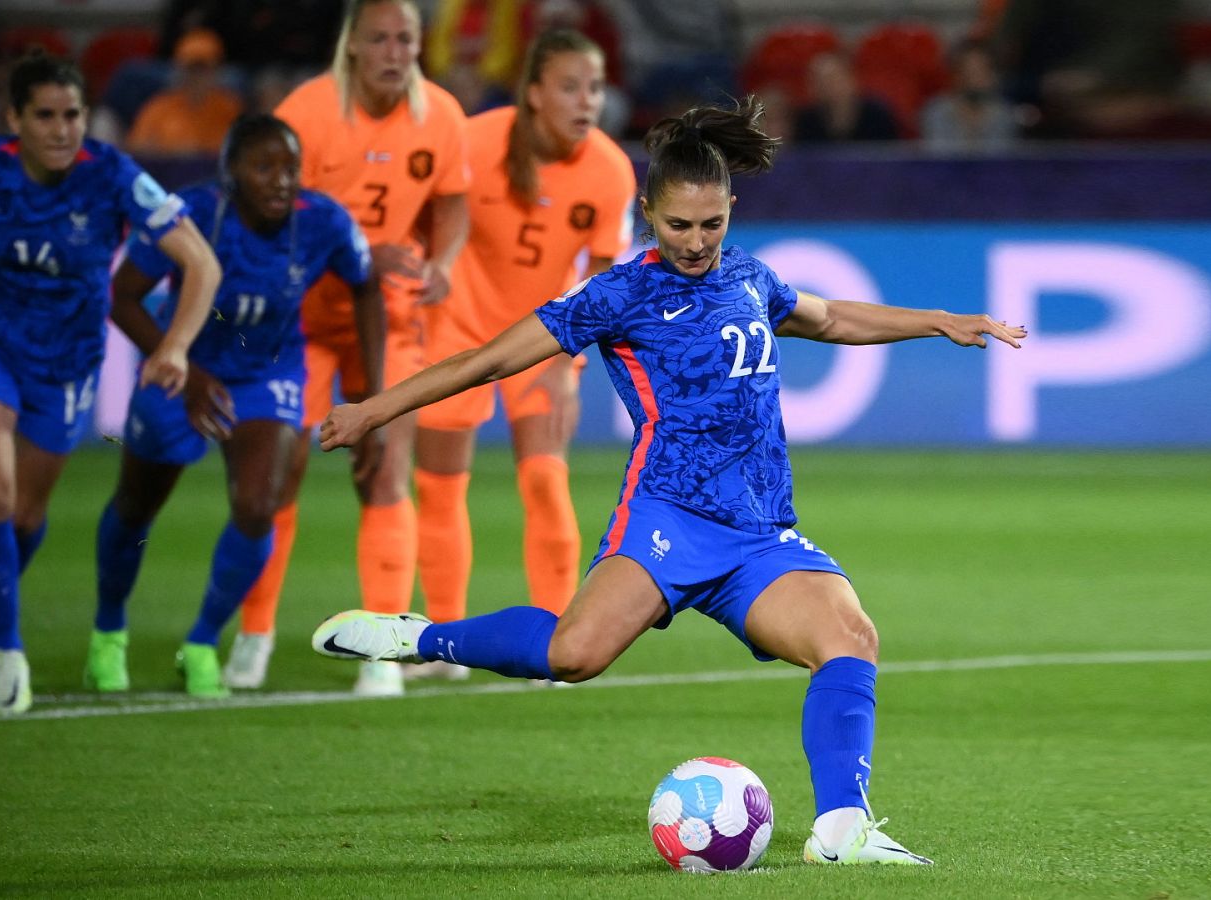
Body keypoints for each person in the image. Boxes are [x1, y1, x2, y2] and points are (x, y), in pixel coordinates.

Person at [310, 95, 1026, 864]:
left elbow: (829, 319)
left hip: (758, 532)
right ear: (647, 211)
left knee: (850, 637)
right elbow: (486, 359)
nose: (695, 242)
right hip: (668, 517)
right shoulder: (621, 294)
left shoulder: (750, 276)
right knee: (572, 657)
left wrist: (940, 319)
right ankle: (420, 637)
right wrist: (374, 410)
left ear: (730, 210)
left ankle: (842, 832)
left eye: (711, 223)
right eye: (678, 225)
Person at [0, 55, 221, 714]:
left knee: (24, 516)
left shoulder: (111, 174)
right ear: (15, 119)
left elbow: (202, 263)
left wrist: (178, 346)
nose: (61, 129)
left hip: (67, 362)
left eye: (72, 114)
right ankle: (8, 649)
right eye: (44, 115)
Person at [228, 0, 471, 695]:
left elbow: (452, 202)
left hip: (387, 321)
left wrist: (444, 261)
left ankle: (381, 654)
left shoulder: (441, 117)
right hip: (298, 324)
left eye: (406, 38)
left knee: (386, 473)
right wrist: (358, 251)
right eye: (380, 39)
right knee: (277, 477)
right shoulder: (308, 114)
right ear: (353, 47)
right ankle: (255, 632)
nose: (395, 51)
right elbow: (265, 218)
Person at [88, 114, 375, 697]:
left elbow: (367, 286)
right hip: (183, 369)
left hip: (267, 373)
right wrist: (183, 367)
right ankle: (108, 630)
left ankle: (200, 642)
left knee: (257, 504)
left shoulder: (322, 222)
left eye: (290, 167)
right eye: (263, 166)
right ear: (231, 174)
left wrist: (373, 391)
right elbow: (123, 298)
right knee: (137, 507)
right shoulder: (192, 215)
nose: (280, 180)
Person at [408, 29, 635, 682]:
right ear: (534, 93)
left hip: (541, 341)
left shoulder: (610, 169)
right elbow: (433, 219)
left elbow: (601, 279)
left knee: (543, 479)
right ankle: (445, 643)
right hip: (457, 333)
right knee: (442, 486)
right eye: (570, 86)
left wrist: (570, 359)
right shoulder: (476, 142)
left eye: (594, 87)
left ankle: (554, 644)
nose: (586, 101)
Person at [124, 28, 244, 157]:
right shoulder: (157, 108)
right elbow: (137, 150)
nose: (196, 77)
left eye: (203, 69)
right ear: (179, 71)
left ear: (216, 71)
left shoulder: (230, 108)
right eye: (191, 69)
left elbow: (241, 152)